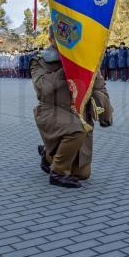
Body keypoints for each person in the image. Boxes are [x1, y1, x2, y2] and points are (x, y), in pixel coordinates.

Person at [31, 28, 112, 188]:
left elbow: (99, 87)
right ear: (51, 40)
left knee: (82, 174)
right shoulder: (39, 60)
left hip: (80, 112)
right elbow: (42, 88)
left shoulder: (85, 61)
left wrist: (105, 112)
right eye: (59, 38)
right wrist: (66, 69)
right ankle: (58, 173)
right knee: (77, 129)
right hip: (51, 110)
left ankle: (48, 155)